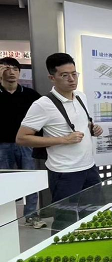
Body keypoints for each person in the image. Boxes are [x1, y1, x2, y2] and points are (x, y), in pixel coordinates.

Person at [17, 53, 104, 228]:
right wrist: (63, 139)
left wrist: (92, 129)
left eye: (74, 74)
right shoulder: (43, 104)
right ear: (52, 78)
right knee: (65, 222)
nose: (72, 79)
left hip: (89, 167)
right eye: (65, 75)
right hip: (65, 172)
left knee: (95, 218)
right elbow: (22, 138)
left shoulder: (80, 96)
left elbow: (81, 124)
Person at [0, 57, 43, 227]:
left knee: (30, 179)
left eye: (15, 69)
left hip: (26, 145)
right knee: (5, 181)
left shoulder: (30, 95)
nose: (11, 72)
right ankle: (6, 218)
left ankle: (31, 215)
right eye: (6, 68)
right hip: (2, 145)